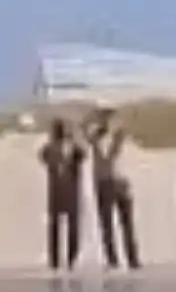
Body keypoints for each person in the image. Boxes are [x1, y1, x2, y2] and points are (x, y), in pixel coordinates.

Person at [85, 108, 141, 270]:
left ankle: (132, 259)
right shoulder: (98, 137)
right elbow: (83, 130)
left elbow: (112, 157)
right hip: (104, 182)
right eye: (105, 118)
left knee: (126, 223)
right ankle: (113, 260)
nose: (107, 122)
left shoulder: (118, 136)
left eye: (110, 118)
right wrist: (92, 118)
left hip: (119, 181)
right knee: (107, 224)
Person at [37, 119, 85, 274]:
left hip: (68, 191)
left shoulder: (73, 149)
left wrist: (74, 142)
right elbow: (43, 157)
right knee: (56, 227)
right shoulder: (50, 148)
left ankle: (71, 258)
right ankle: (56, 261)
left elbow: (83, 155)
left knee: (71, 227)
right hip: (58, 191)